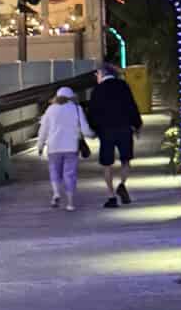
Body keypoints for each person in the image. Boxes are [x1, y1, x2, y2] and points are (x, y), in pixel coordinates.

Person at [87, 64, 144, 206]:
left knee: (107, 164)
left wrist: (93, 129)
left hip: (106, 130)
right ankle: (122, 184)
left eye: (97, 74)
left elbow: (92, 111)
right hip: (124, 128)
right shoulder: (123, 86)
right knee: (126, 160)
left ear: (103, 74)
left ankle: (111, 196)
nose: (97, 77)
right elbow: (131, 105)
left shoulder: (97, 90)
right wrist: (137, 125)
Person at [35, 85, 94, 210]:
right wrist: (92, 135)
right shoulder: (77, 108)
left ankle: (56, 193)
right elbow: (84, 128)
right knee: (70, 174)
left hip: (54, 147)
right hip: (71, 147)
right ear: (72, 97)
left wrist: (40, 145)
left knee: (54, 172)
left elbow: (43, 129)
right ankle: (70, 203)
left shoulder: (50, 110)